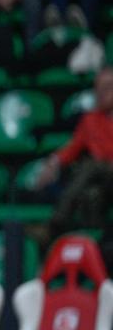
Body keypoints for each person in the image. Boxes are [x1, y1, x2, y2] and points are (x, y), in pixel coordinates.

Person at [38, 67, 113, 235]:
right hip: (102, 180)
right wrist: (53, 162)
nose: (101, 93)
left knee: (89, 166)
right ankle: (95, 244)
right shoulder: (91, 120)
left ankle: (56, 222)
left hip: (101, 169)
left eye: (107, 87)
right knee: (92, 194)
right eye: (98, 88)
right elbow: (72, 148)